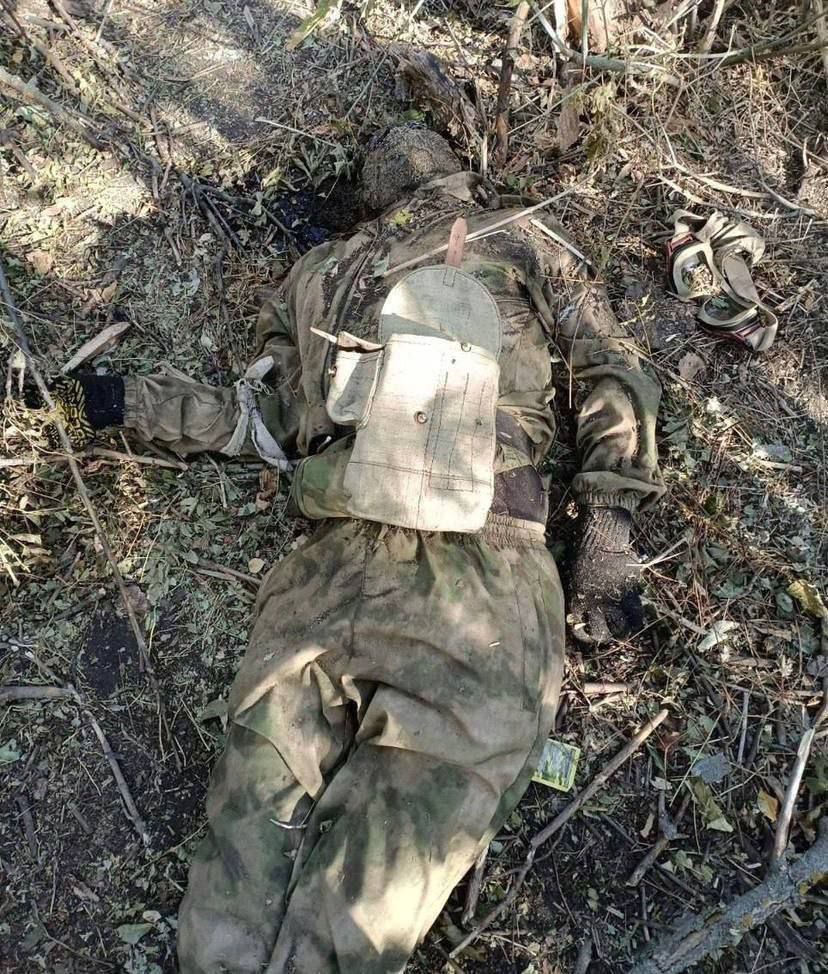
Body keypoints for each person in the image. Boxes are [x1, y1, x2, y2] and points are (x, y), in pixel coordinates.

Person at [34, 126, 664, 972]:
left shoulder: (503, 236)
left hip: (411, 564)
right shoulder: (347, 267)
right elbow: (263, 417)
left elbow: (611, 374)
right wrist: (117, 402)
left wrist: (609, 531)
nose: (400, 152)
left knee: (309, 875)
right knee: (294, 866)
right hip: (404, 570)